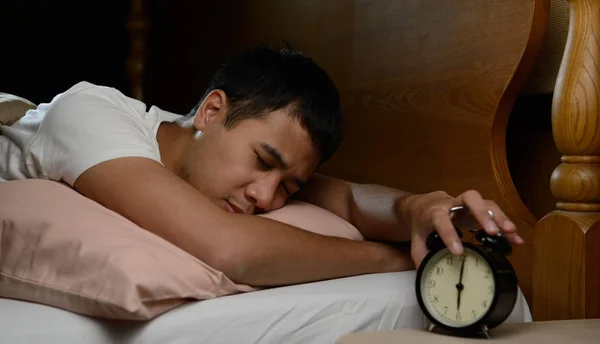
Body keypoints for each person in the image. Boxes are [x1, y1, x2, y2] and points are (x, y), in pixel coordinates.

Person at [0, 44, 523, 286]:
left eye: (289, 186)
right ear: (211, 110)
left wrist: (421, 206)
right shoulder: (91, 112)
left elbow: (346, 197)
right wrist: (392, 260)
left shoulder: (250, 176)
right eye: (263, 162)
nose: (266, 198)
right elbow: (232, 250)